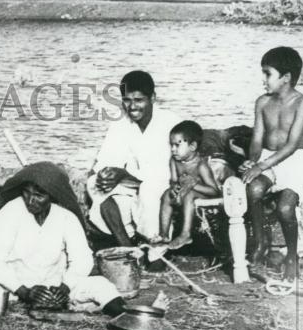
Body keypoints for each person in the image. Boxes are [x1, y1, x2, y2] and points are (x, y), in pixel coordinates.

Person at [0, 163, 127, 316]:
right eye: (26, 193)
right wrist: (25, 292)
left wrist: (64, 289)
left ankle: (124, 316)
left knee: (102, 285)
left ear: (52, 196)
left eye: (39, 195)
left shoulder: (65, 217)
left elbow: (82, 260)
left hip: (54, 286)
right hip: (12, 287)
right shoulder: (10, 213)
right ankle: (30, 302)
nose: (31, 200)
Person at [239, 46, 303, 281]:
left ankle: (292, 255)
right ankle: (262, 241)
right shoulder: (262, 102)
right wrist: (251, 161)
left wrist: (261, 166)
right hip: (268, 159)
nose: (263, 79)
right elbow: (257, 140)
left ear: (286, 78)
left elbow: (292, 145)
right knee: (253, 188)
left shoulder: (302, 103)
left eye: (267, 73)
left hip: (295, 161)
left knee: (285, 208)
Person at [87, 70, 182, 248]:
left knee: (149, 190)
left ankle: (157, 251)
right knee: (94, 183)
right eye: (127, 100)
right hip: (131, 184)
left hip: (163, 184)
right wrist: (105, 175)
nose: (132, 107)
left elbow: (167, 171)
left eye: (138, 100)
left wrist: (123, 174)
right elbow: (106, 161)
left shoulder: (171, 123)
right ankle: (128, 247)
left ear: (152, 98)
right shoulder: (120, 125)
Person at [159, 120, 222, 249]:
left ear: (192, 146)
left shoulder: (201, 165)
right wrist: (174, 189)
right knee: (166, 195)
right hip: (184, 193)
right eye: (171, 145)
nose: (173, 149)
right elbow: (173, 180)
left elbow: (214, 191)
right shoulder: (174, 161)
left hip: (201, 195)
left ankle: (185, 234)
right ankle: (164, 235)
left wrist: (193, 185)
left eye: (177, 145)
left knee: (190, 195)